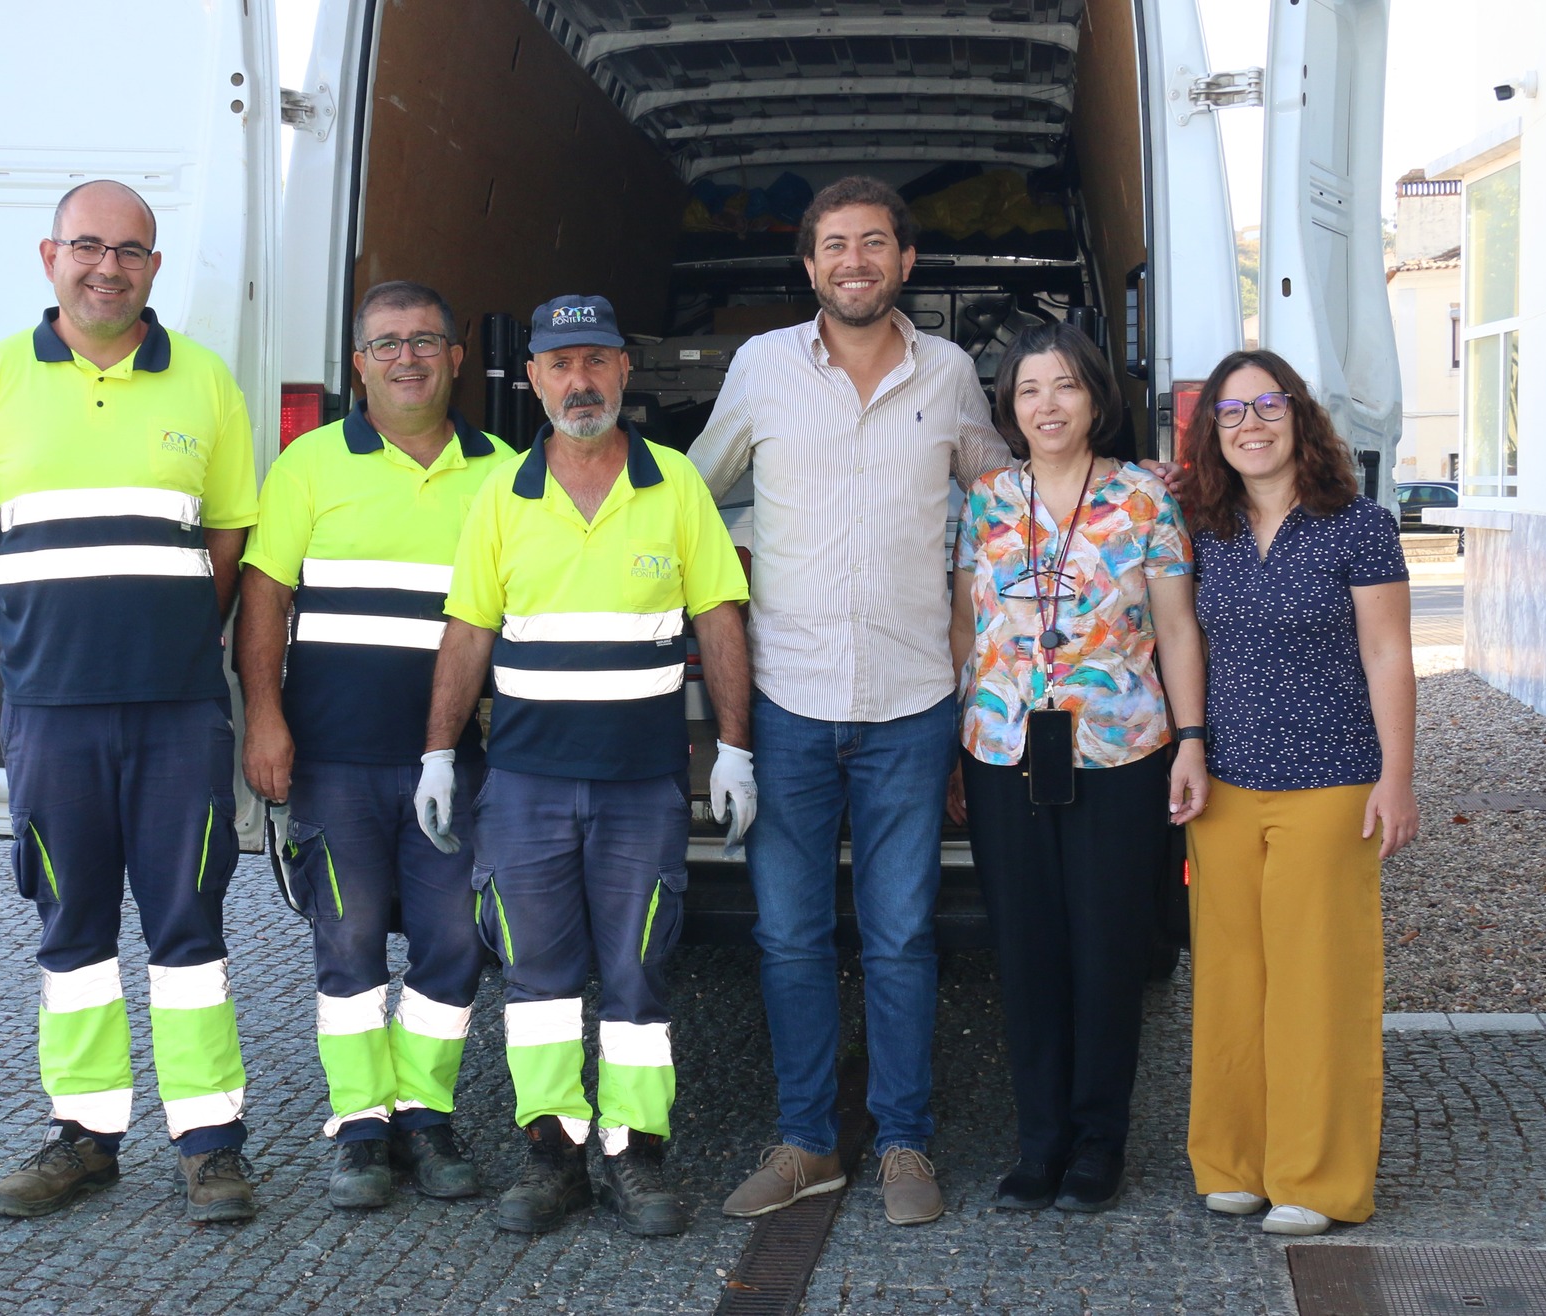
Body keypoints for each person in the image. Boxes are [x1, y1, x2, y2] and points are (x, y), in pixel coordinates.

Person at [0, 180, 260, 1222]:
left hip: (176, 709)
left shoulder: (202, 380)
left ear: (155, 266)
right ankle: (84, 1134)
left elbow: (232, 530)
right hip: (53, 708)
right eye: (88, 247)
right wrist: (35, 576)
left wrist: (174, 610)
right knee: (72, 928)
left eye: (132, 251)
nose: (108, 266)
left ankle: (210, 1144)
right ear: (49, 254)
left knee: (188, 924)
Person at [692, 175, 1006, 1227]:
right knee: (784, 934)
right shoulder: (761, 367)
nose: (854, 260)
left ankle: (905, 1140)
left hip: (913, 697)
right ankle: (806, 1141)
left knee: (901, 933)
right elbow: (691, 488)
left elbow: (1002, 500)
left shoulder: (951, 373)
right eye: (834, 245)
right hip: (784, 694)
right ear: (809, 263)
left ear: (905, 261)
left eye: (873, 243)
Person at [418, 294, 755, 1237]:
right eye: (559, 363)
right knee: (537, 976)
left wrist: (736, 746)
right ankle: (552, 1155)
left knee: (640, 974)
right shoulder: (500, 494)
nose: (579, 380)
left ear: (624, 370)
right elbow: (468, 629)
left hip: (641, 785)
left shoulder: (676, 483)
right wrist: (438, 752)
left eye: (596, 360)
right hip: (525, 787)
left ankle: (636, 1157)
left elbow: (719, 616)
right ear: (533, 378)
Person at [237, 281, 509, 1209]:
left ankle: (426, 1117)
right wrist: (265, 718)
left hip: (452, 762)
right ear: (358, 361)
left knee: (451, 942)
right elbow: (265, 596)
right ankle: (359, 1125)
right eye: (386, 343)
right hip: (333, 756)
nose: (407, 358)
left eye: (426, 341)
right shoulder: (310, 463)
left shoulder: (504, 470)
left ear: (456, 357)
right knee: (346, 939)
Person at [948, 322, 1208, 1214]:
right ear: (1009, 407)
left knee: (1107, 952)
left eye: (1064, 387)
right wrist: (959, 731)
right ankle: (1040, 1143)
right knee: (1025, 954)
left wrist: (1191, 740)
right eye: (1028, 390)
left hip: (1119, 750)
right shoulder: (987, 500)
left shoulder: (1143, 499)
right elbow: (965, 627)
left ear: (1095, 398)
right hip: (1004, 751)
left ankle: (1100, 1144)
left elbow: (1176, 629)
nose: (1046, 405)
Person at [1177, 350, 1418, 1237]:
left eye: (1266, 406)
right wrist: (1190, 749)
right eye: (1231, 414)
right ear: (1213, 436)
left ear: (1298, 416)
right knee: (1232, 980)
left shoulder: (1358, 526)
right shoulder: (1205, 528)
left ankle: (1316, 1177)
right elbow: (1186, 648)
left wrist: (1398, 776)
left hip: (1333, 779)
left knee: (1319, 981)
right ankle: (1233, 1162)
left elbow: (1390, 653)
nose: (1250, 425)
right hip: (1228, 785)